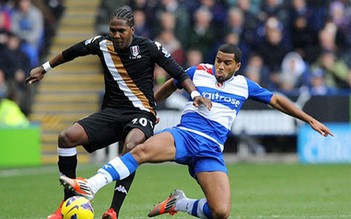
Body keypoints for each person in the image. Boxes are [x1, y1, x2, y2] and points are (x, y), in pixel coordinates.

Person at [59, 44, 333, 219]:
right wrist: (149, 107)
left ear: (237, 66)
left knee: (221, 211)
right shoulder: (198, 72)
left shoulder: (245, 85)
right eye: (218, 60)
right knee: (140, 150)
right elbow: (172, 83)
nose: (220, 67)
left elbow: (276, 100)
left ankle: (179, 203)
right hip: (186, 135)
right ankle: (91, 185)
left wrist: (309, 119)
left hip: (211, 149)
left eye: (227, 63)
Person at [25, 7, 210, 219]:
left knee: (131, 147)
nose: (116, 35)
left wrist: (195, 94)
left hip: (142, 112)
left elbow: (179, 73)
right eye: (112, 30)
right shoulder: (102, 44)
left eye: (121, 31)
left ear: (132, 29)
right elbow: (72, 52)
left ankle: (114, 210)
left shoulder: (149, 47)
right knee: (66, 137)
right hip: (112, 112)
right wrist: (44, 68)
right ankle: (67, 204)